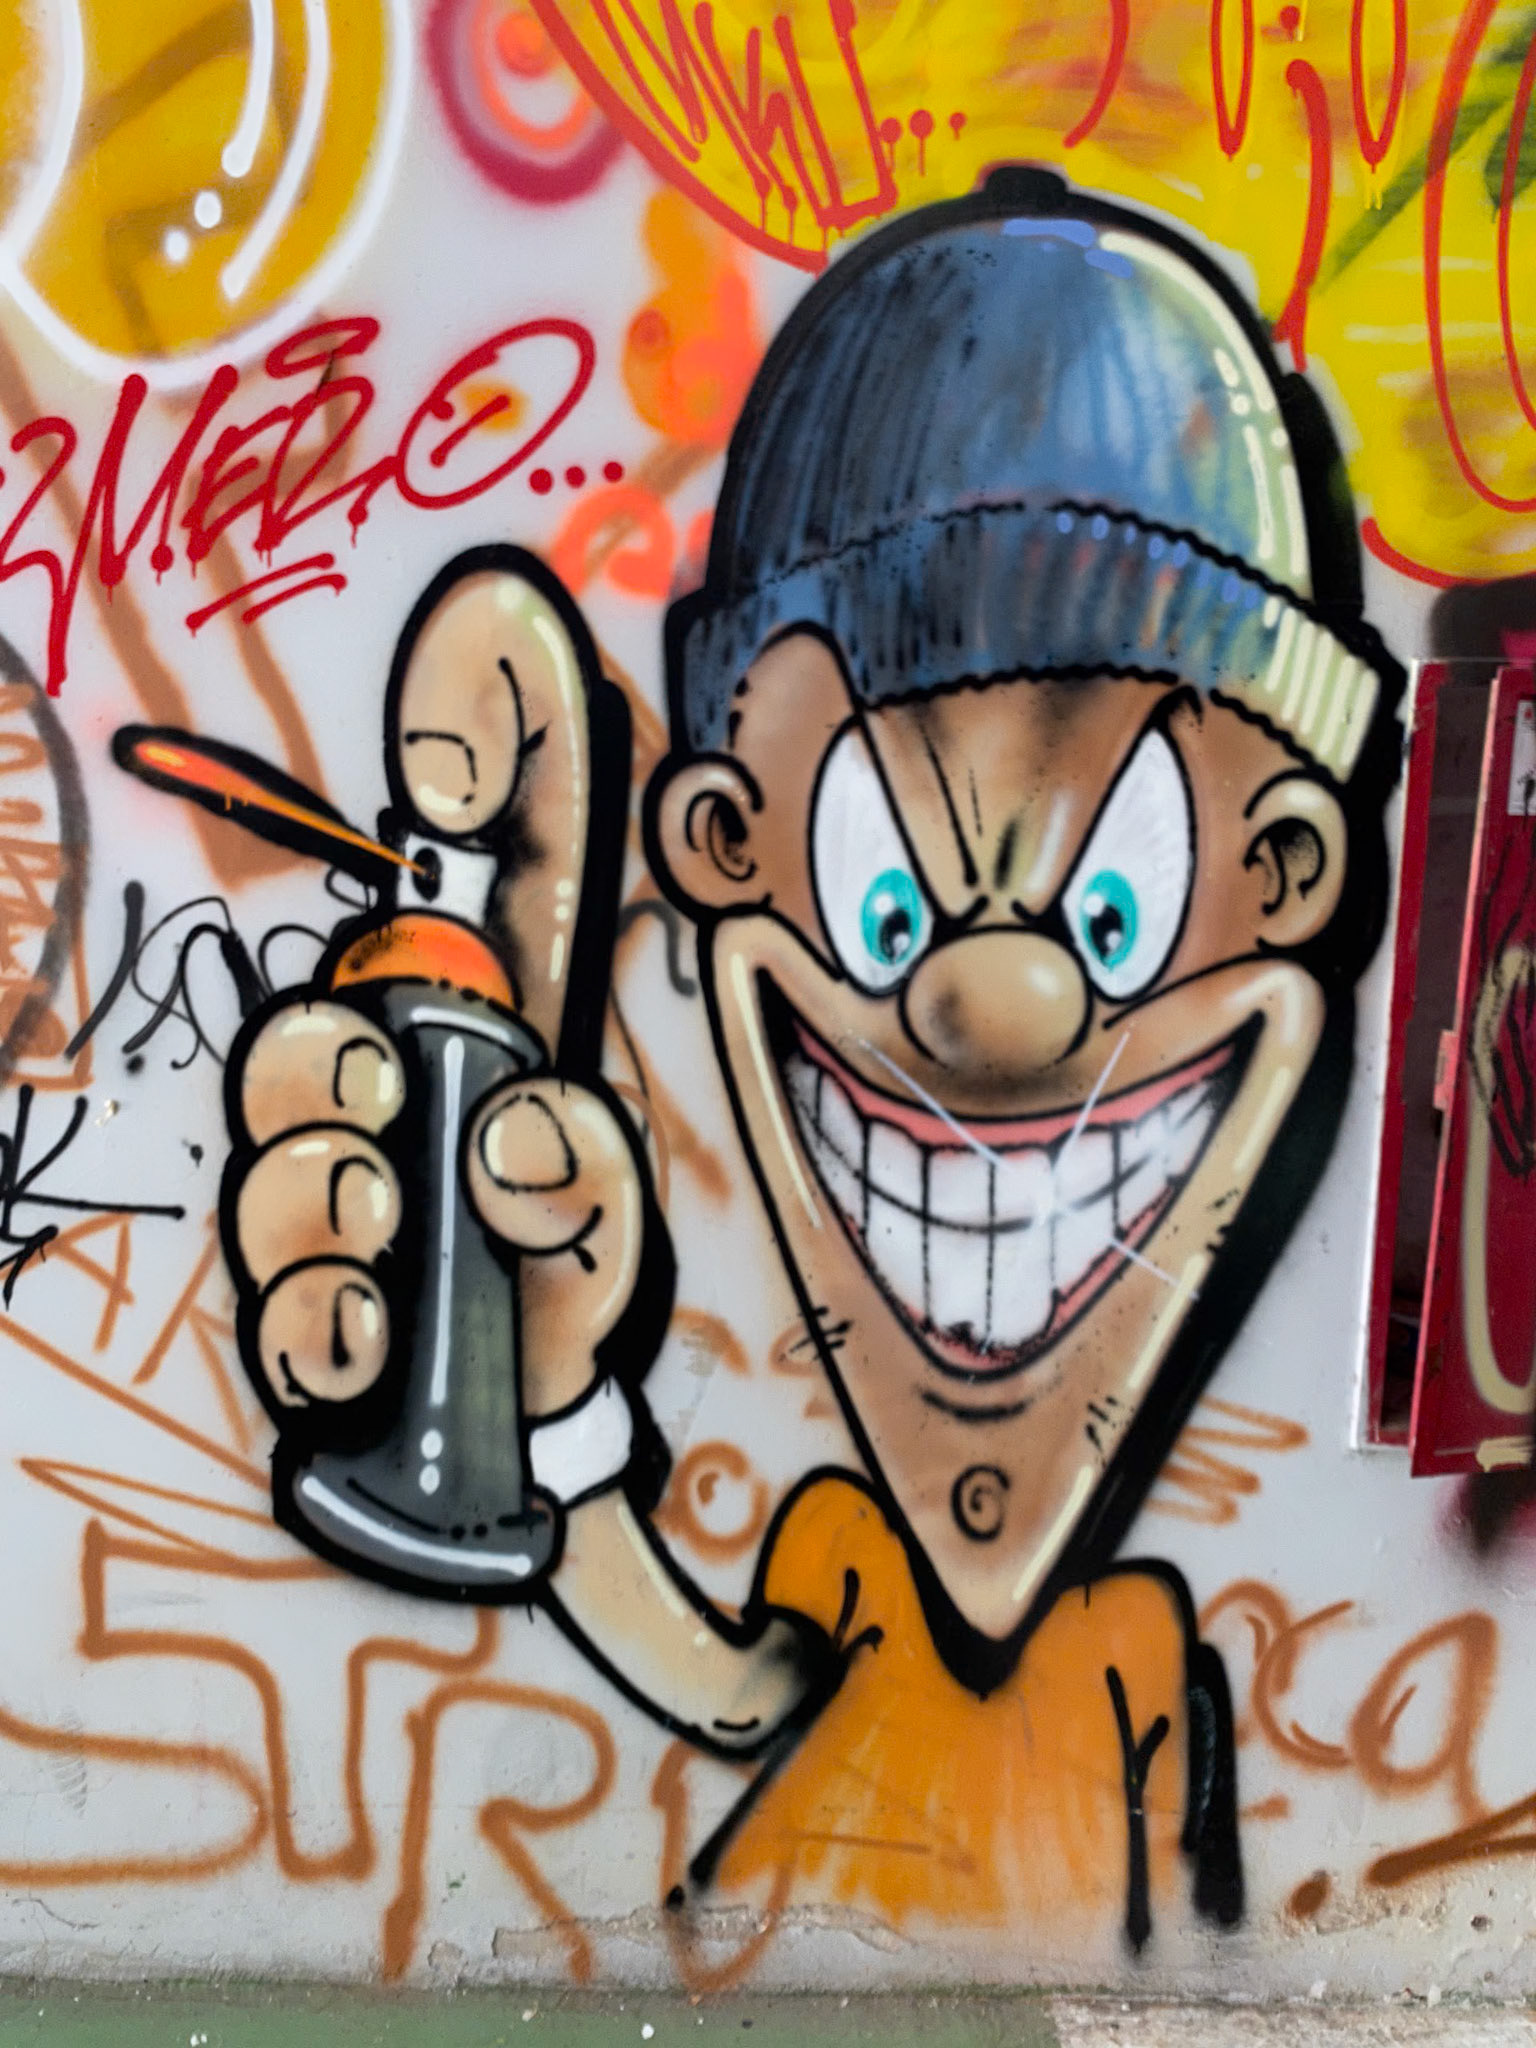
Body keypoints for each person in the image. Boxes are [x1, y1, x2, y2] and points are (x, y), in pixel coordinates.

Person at [217, 168, 1403, 1947]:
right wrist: (550, 1406)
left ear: (1294, 877)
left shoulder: (1133, 1639)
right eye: (875, 889)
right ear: (716, 850)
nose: (996, 1011)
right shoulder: (842, 1557)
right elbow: (734, 1687)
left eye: (1119, 904)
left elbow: (1172, 1894)